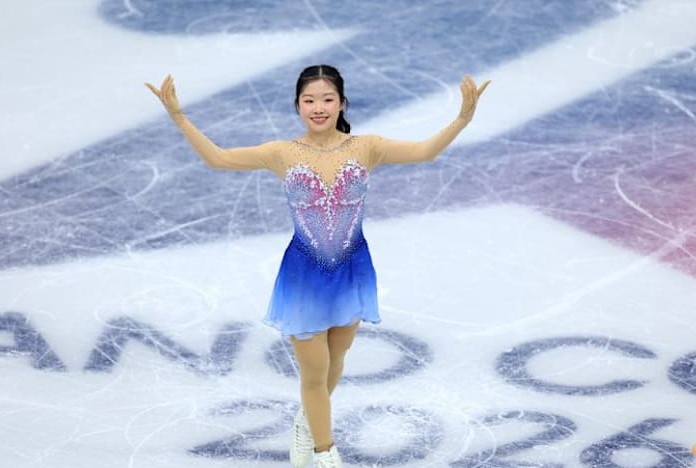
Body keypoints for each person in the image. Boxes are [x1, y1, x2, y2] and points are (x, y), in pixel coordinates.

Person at [146, 65, 489, 468]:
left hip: (351, 268)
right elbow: (219, 159)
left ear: (342, 103)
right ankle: (326, 454)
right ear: (297, 106)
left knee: (337, 357)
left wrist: (462, 119)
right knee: (314, 372)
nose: (318, 107)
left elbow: (425, 151)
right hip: (304, 276)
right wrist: (180, 117)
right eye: (309, 100)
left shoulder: (367, 147)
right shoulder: (282, 153)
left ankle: (308, 421)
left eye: (327, 99)